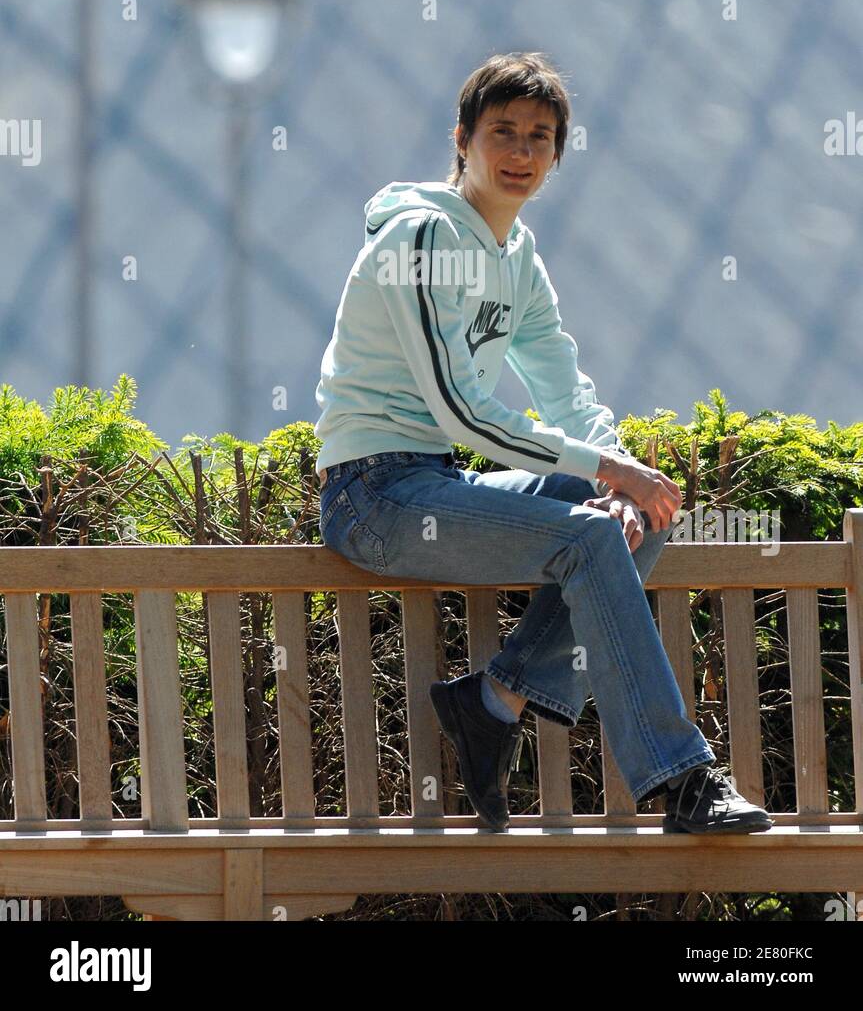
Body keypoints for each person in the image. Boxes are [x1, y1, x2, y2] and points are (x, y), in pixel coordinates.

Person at [314, 51, 771, 836]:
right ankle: (682, 777)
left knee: (633, 514)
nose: (520, 152)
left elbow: (565, 390)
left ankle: (494, 700)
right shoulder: (423, 238)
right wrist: (606, 469)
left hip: (434, 484)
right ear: (461, 139)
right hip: (374, 498)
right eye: (502, 132)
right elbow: (461, 409)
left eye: (539, 137)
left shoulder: (515, 257)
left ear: (557, 155)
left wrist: (618, 476)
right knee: (596, 522)